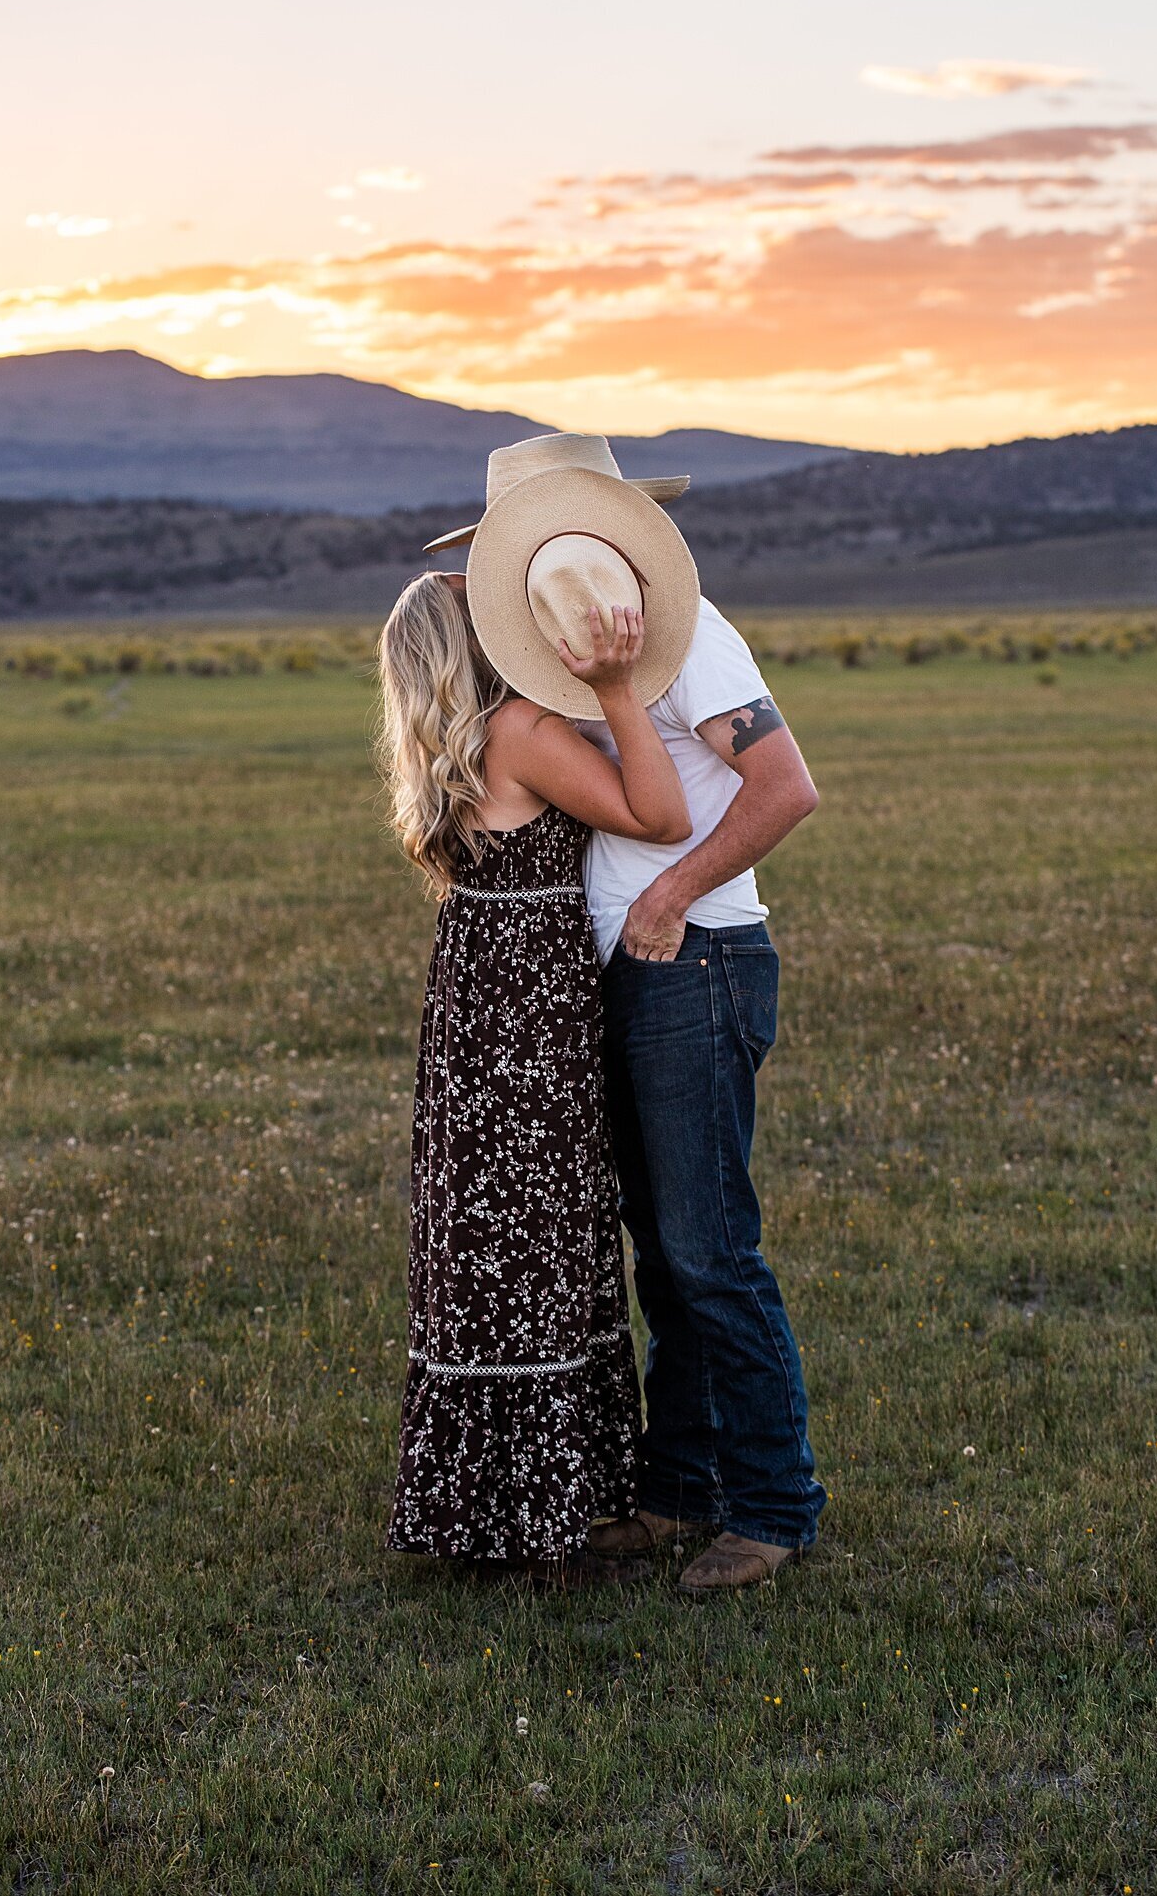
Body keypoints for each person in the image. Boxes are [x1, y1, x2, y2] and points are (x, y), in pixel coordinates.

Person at [451, 432, 826, 1596]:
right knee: (659, 1254)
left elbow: (786, 788)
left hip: (696, 959)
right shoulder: (573, 664)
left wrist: (666, 894)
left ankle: (771, 1506)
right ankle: (675, 1492)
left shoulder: (690, 638)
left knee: (710, 1255)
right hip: (628, 968)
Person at [377, 539, 690, 1588]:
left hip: (475, 1000)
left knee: (486, 1232)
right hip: (532, 1011)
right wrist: (612, 686)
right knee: (544, 1229)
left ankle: (485, 1496)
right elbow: (661, 814)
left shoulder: (448, 744)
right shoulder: (521, 729)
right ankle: (542, 1500)